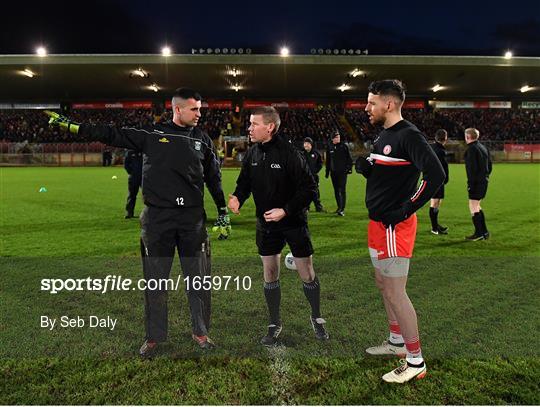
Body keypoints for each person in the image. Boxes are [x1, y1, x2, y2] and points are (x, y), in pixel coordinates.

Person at [45, 88, 231, 357]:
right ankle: (155, 337)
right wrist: (75, 127)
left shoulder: (203, 139)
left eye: (200, 109)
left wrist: (222, 209)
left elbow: (214, 178)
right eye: (194, 109)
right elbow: (113, 134)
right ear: (177, 109)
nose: (199, 114)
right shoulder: (152, 135)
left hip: (192, 221)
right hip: (157, 220)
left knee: (199, 280)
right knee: (155, 282)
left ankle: (201, 332)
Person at [358, 79, 445, 383]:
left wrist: (406, 209)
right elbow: (392, 170)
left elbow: (436, 176)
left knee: (396, 291)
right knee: (384, 284)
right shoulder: (386, 133)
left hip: (394, 226)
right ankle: (396, 343)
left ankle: (416, 361)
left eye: (371, 102)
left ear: (389, 104)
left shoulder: (410, 136)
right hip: (378, 224)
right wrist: (370, 168)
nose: (367, 107)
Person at [228, 106, 329, 346]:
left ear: (270, 127)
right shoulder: (252, 154)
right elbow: (244, 183)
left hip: (294, 222)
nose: (249, 128)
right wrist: (237, 197)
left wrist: (285, 210)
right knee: (270, 272)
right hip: (266, 225)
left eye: (254, 124)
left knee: (306, 273)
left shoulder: (290, 154)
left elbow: (310, 189)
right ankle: (274, 322)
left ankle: (316, 317)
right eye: (250, 124)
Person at [464, 127, 492, 241]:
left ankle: (479, 233)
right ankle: (484, 232)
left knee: (473, 206)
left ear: (467, 137)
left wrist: (471, 184)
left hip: (476, 182)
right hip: (484, 181)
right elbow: (490, 166)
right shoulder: (483, 147)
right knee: (477, 206)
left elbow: (471, 170)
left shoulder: (471, 149)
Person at [325, 130, 352, 216]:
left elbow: (349, 159)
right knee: (336, 190)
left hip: (342, 172)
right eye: (336, 137)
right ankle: (339, 207)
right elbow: (328, 161)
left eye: (339, 137)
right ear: (332, 138)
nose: (338, 138)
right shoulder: (330, 147)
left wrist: (349, 169)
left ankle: (342, 209)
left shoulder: (344, 147)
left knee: (342, 190)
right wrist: (327, 172)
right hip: (333, 173)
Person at [429, 129, 450, 235]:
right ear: (445, 138)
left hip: (432, 178)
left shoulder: (431, 148)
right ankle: (434, 228)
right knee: (435, 202)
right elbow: (443, 167)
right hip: (437, 180)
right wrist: (446, 178)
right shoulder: (440, 151)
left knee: (436, 202)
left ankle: (435, 225)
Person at [303, 137, 324, 212]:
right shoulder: (301, 154)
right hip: (304, 177)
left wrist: (316, 171)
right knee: (305, 192)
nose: (306, 145)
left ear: (311, 144)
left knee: (315, 192)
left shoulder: (316, 153)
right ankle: (306, 207)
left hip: (314, 177)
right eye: (305, 143)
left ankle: (318, 207)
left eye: (307, 143)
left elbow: (320, 163)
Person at [123, 149, 143, 219]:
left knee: (147, 195)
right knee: (132, 195)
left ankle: (149, 212)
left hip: (144, 178)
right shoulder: (129, 152)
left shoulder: (144, 151)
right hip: (133, 177)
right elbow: (126, 165)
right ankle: (129, 212)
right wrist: (131, 173)